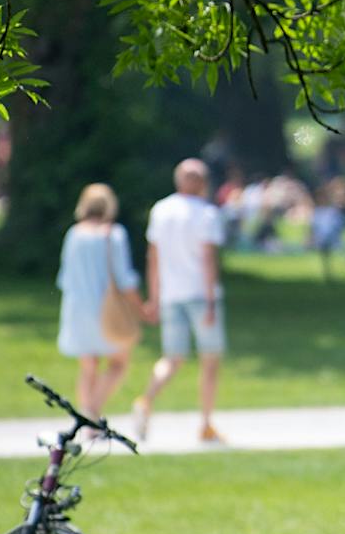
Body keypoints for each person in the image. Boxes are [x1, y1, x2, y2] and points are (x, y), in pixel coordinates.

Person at [131, 158, 226, 444]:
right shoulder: (207, 214)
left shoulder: (161, 210)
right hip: (200, 293)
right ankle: (206, 423)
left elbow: (154, 257)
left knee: (172, 358)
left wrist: (154, 297)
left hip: (171, 293)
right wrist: (211, 300)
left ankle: (146, 399)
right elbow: (208, 259)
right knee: (209, 361)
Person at [56, 183, 145, 423]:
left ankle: (87, 416)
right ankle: (92, 413)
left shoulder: (74, 234)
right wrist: (140, 307)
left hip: (77, 308)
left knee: (88, 367)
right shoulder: (113, 234)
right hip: (107, 309)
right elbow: (124, 278)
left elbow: (65, 278)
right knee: (118, 364)